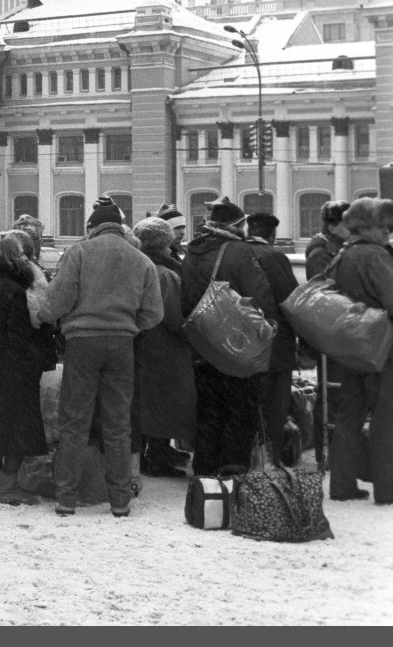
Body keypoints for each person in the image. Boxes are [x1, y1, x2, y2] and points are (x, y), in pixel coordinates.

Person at [44, 196, 163, 517]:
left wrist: (49, 315)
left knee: (74, 423)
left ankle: (66, 498)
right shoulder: (140, 259)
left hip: (82, 344)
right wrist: (128, 326)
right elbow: (154, 313)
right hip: (122, 345)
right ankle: (120, 501)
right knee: (118, 424)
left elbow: (57, 301)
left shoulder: (79, 253)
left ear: (92, 228)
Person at [179, 197, 277, 477]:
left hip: (202, 343)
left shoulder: (192, 252)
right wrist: (269, 325)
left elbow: (184, 300)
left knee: (209, 409)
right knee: (239, 409)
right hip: (236, 342)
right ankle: (232, 470)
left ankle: (204, 471)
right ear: (237, 225)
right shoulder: (239, 251)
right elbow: (259, 296)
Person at [0, 232, 54, 504]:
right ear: (18, 259)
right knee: (19, 428)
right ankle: (9, 486)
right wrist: (33, 362)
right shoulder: (15, 290)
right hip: (12, 368)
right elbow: (18, 336)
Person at [325, 198, 393, 503]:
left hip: (352, 349)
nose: (387, 232)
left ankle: (342, 485)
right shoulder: (374, 256)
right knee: (386, 420)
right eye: (382, 226)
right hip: (383, 349)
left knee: (348, 418)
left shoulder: (342, 255)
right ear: (367, 226)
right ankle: (387, 488)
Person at [131, 217, 195, 478]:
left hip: (145, 343)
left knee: (146, 401)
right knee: (162, 403)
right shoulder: (165, 273)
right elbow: (173, 316)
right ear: (164, 242)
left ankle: (150, 453)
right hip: (164, 347)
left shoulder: (138, 264)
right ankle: (157, 456)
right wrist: (193, 331)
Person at [245, 211, 301, 465]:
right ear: (272, 235)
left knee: (247, 404)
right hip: (274, 346)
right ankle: (271, 461)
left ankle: (248, 458)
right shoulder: (274, 256)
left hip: (240, 343)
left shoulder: (233, 253)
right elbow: (292, 302)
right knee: (274, 407)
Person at [305, 200, 350, 281]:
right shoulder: (318, 254)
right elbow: (320, 289)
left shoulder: (339, 247)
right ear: (333, 228)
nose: (353, 228)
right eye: (347, 224)